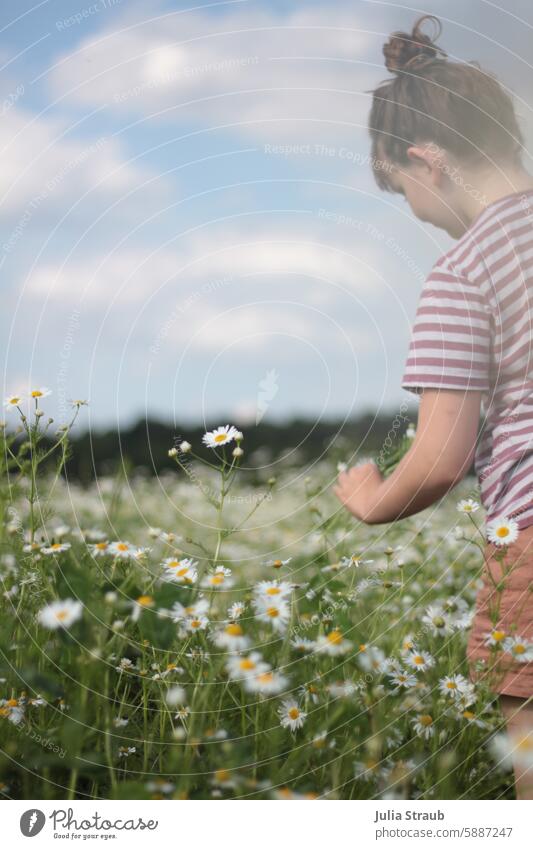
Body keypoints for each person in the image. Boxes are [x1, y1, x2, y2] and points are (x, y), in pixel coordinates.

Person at [334, 15, 533, 799]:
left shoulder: (464, 270)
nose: (413, 210)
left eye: (401, 189)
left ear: (428, 161)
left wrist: (373, 500)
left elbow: (441, 457)